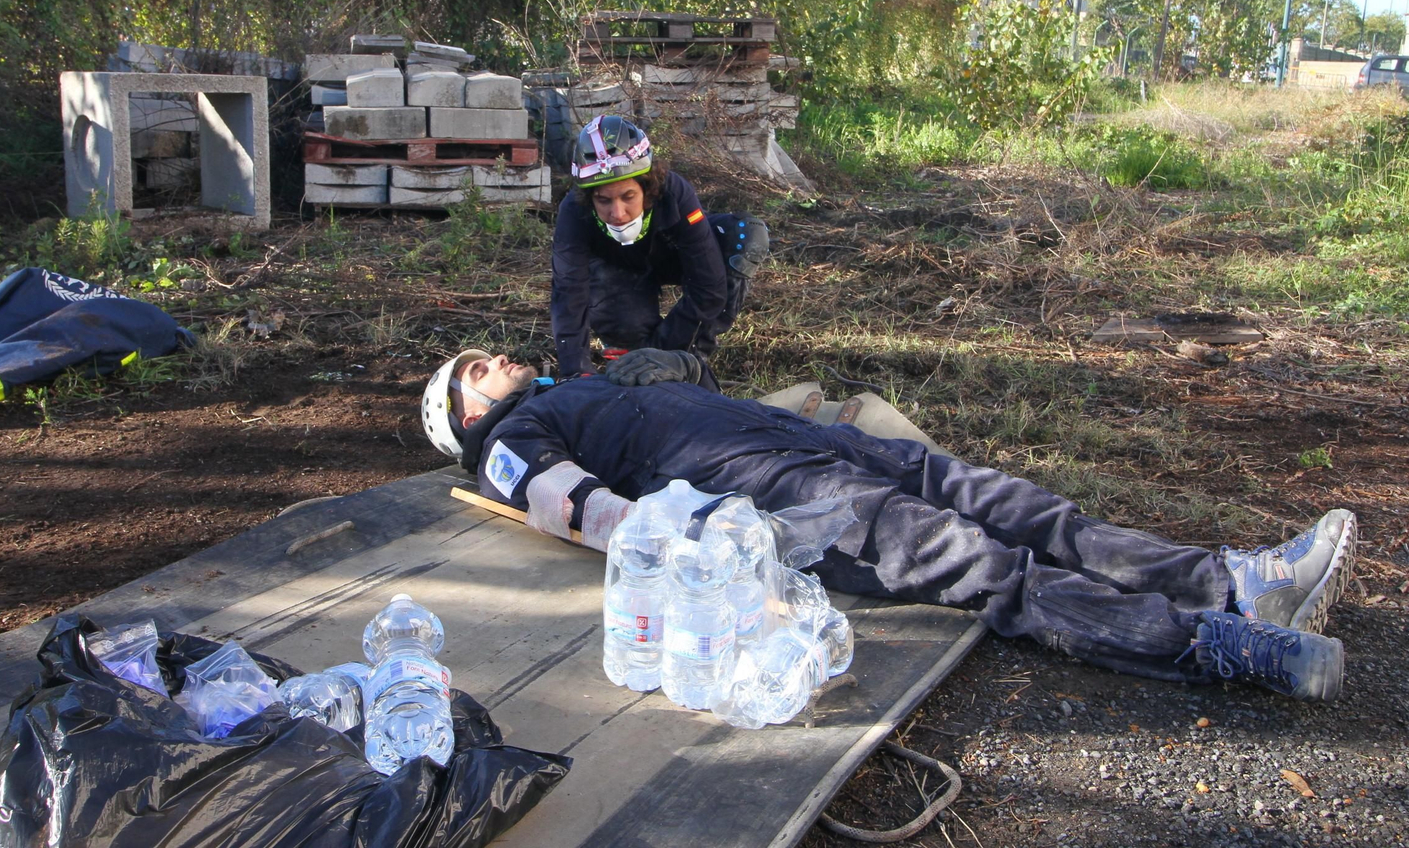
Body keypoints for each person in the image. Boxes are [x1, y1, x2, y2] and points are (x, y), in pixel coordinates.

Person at [420, 347, 1360, 702]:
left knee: (1027, 508)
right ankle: (1218, 646)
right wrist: (696, 535)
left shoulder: (568, 385)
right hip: (780, 497)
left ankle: (1234, 577)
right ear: (466, 417)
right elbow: (573, 507)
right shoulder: (512, 437)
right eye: (473, 370)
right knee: (992, 567)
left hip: (806, 442)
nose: (493, 360)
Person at [550, 115, 769, 377]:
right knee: (628, 329)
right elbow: (568, 293)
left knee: (746, 235)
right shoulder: (573, 211)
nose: (617, 213)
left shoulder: (675, 193)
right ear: (589, 198)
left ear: (648, 187)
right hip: (616, 270)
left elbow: (708, 285)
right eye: (603, 200)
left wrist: (667, 352)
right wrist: (575, 369)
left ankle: (692, 354)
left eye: (628, 196)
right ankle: (631, 349)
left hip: (671, 256)